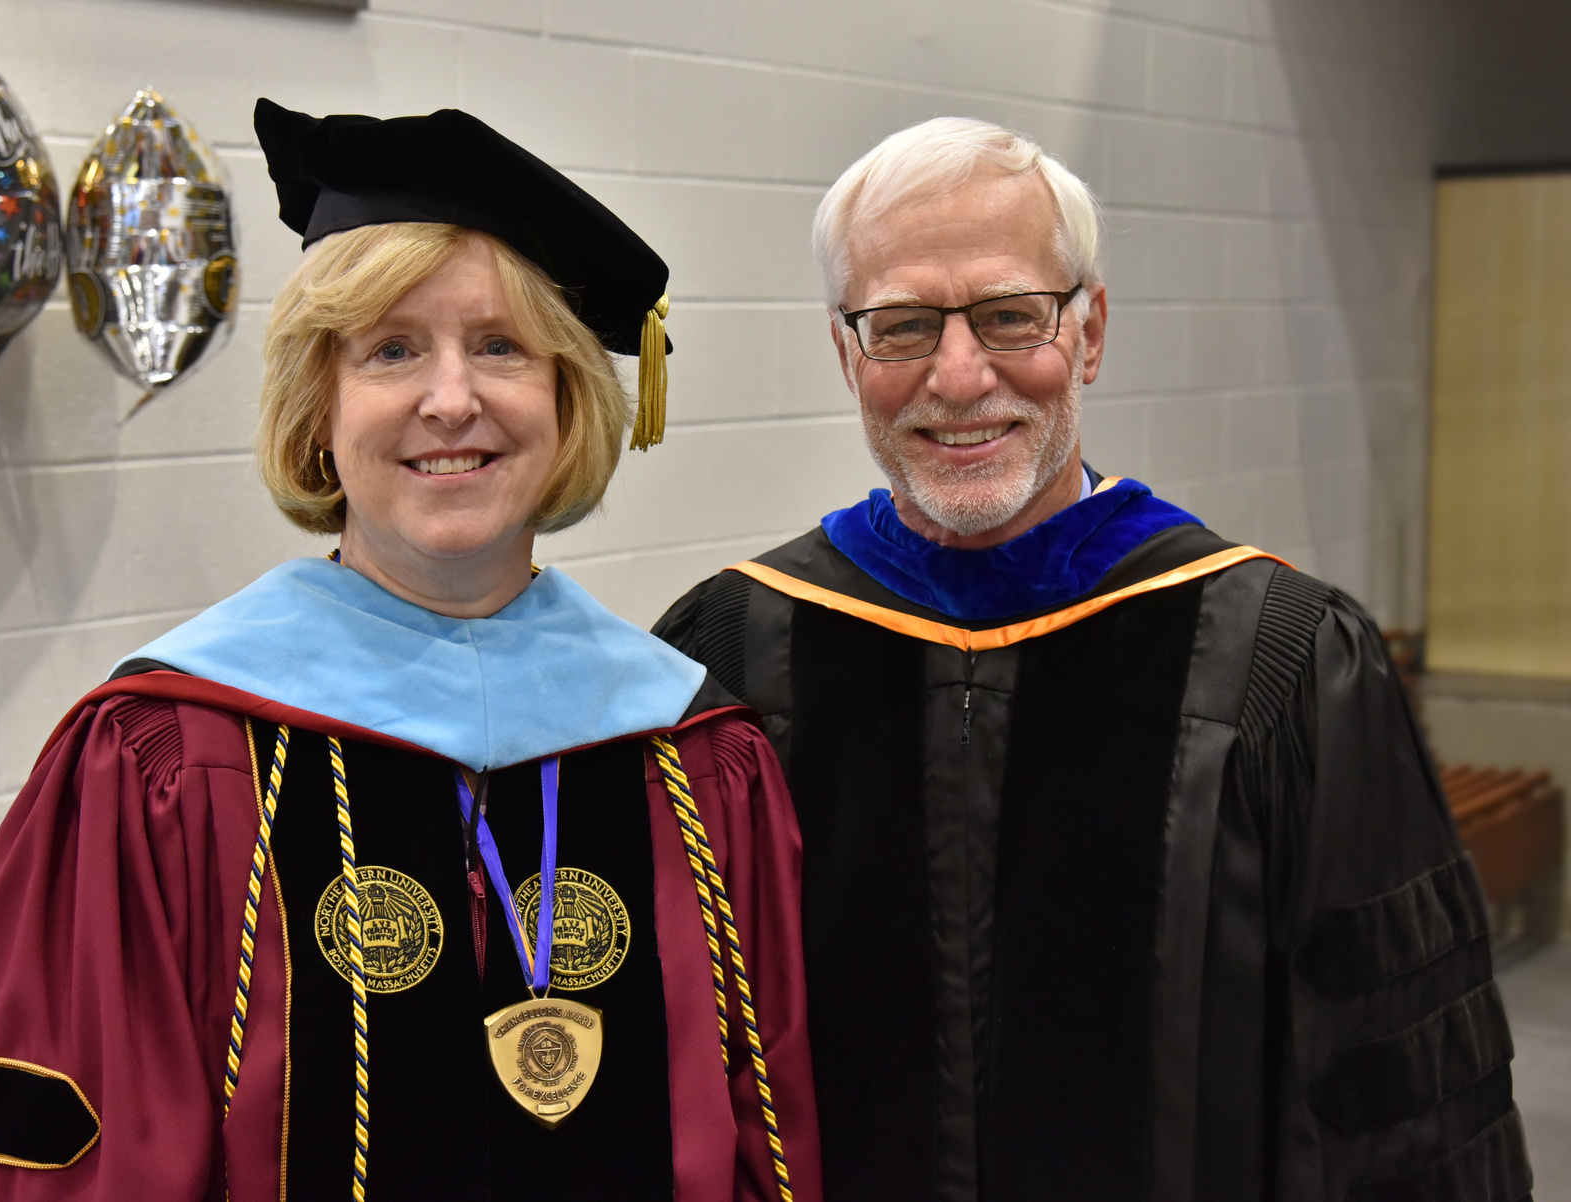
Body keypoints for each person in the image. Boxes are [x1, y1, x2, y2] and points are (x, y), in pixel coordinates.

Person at [0, 101, 820, 1202]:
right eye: (392, 349)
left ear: (567, 399)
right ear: (320, 405)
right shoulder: (166, 754)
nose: (451, 398)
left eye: (503, 346)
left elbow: (770, 1132)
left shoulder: (690, 751)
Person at [655, 117, 1529, 1202]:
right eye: (904, 325)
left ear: (1092, 330)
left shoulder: (1281, 659)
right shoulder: (736, 652)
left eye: (1012, 315)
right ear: (846, 352)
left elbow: (1404, 1085)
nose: (961, 375)